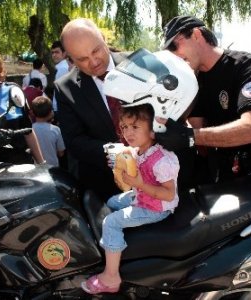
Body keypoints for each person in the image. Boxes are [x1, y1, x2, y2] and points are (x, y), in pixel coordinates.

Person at [158, 15, 251, 184]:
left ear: (196, 34)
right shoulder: (193, 81)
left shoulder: (245, 66)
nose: (174, 54)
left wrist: (189, 137)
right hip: (221, 170)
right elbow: (196, 128)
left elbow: (250, 129)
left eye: (174, 45)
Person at [81, 104, 179, 294]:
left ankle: (111, 277)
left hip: (156, 207)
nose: (128, 132)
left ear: (153, 131)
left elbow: (168, 194)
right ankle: (116, 247)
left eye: (135, 127)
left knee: (110, 222)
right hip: (141, 196)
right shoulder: (139, 150)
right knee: (112, 202)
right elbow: (129, 163)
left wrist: (139, 184)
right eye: (124, 127)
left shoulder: (161, 161)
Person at [55, 18, 129, 200]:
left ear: (103, 38)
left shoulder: (137, 64)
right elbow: (75, 143)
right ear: (71, 60)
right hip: (107, 188)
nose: (94, 61)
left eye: (96, 50)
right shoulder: (65, 88)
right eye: (82, 59)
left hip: (160, 179)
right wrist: (117, 154)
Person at [31, 96, 66, 167]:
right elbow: (61, 153)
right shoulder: (56, 130)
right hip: (53, 168)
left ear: (33, 113)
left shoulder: (30, 130)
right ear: (50, 112)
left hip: (35, 169)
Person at [51, 41, 70, 113]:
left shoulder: (62, 68)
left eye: (57, 52)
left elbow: (60, 91)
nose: (54, 55)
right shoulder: (64, 66)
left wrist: (55, 108)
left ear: (64, 53)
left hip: (62, 108)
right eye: (52, 53)